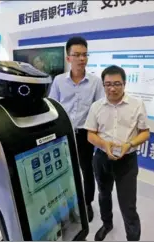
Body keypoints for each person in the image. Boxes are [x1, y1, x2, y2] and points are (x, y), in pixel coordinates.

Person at [84, 65, 150, 241]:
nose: (112, 88)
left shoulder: (137, 105)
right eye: (108, 84)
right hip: (101, 159)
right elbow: (90, 134)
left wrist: (130, 144)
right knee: (104, 195)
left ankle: (133, 237)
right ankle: (107, 224)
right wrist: (104, 145)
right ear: (103, 85)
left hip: (127, 161)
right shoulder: (96, 107)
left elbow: (145, 132)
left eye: (117, 84)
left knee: (128, 204)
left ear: (125, 84)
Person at [48, 36, 104, 222]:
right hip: (62, 134)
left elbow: (100, 110)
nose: (81, 59)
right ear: (68, 58)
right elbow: (52, 107)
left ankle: (86, 203)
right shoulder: (58, 81)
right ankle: (65, 201)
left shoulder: (95, 82)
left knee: (86, 170)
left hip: (84, 134)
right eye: (77, 55)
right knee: (63, 170)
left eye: (84, 55)